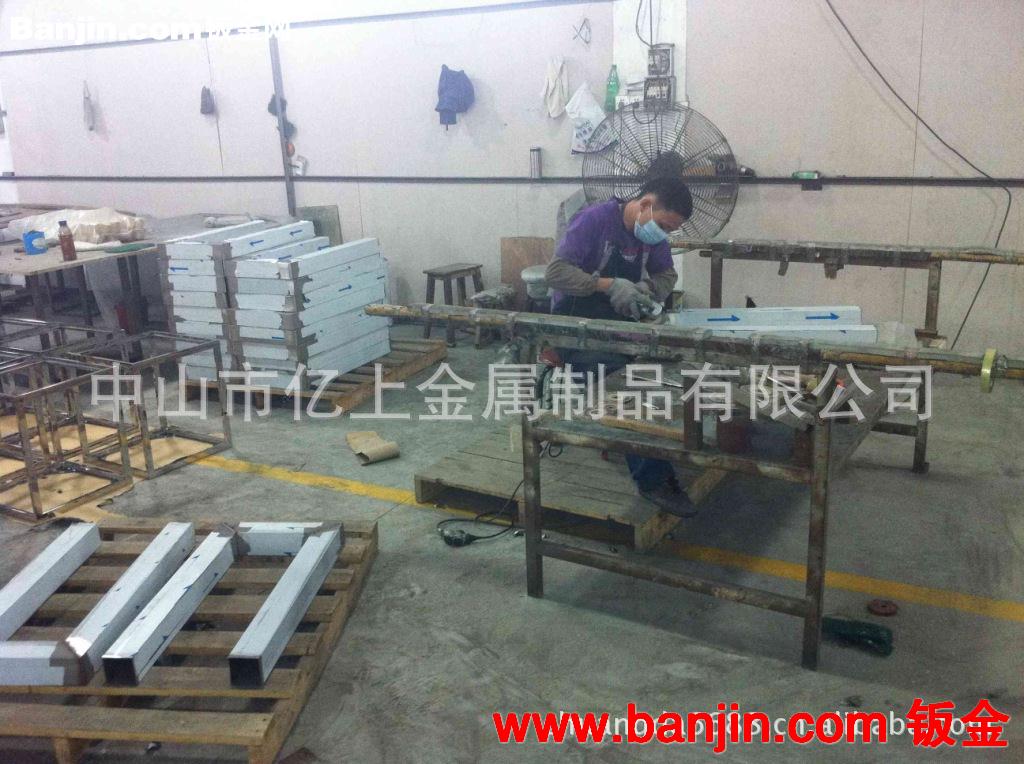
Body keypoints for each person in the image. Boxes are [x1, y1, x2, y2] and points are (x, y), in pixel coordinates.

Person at [543, 177, 695, 516]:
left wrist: (644, 289)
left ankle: (648, 444)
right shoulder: (594, 221)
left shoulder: (652, 237)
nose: (663, 234)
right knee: (620, 388)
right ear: (645, 205)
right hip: (576, 331)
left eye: (669, 230)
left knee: (662, 372)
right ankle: (654, 480)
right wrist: (608, 285)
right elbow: (555, 272)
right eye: (662, 226)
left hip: (621, 326)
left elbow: (667, 275)